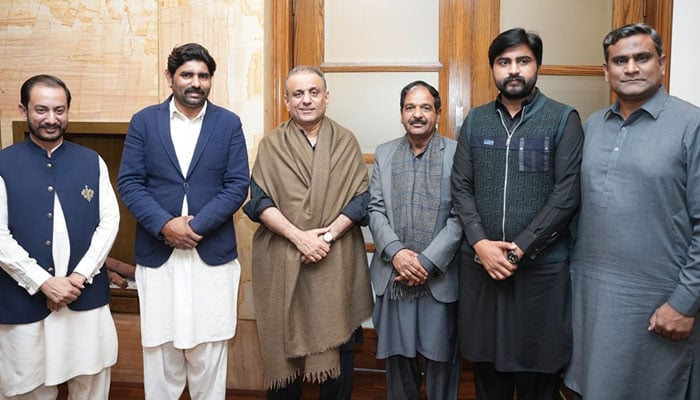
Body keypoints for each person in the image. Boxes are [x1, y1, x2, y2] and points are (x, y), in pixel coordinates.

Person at [564, 23, 700, 400]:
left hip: (659, 304)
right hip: (590, 299)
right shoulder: (592, 127)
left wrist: (685, 302)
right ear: (606, 71)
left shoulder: (692, 125)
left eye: (642, 58)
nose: (631, 68)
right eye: (620, 61)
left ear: (662, 63)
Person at [451, 28, 583, 400]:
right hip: (481, 268)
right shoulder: (475, 121)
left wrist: (519, 248)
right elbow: (460, 187)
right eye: (504, 62)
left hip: (540, 270)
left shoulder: (562, 119)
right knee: (487, 369)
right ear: (493, 68)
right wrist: (481, 244)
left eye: (522, 61)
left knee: (538, 373)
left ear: (536, 65)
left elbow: (566, 194)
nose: (513, 70)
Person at [117, 43, 249, 399]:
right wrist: (165, 225)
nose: (196, 82)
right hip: (159, 255)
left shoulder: (228, 123)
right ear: (169, 77)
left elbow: (238, 185)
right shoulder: (144, 121)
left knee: (209, 351)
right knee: (162, 352)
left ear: (210, 80)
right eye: (187, 74)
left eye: (203, 76)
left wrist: (195, 227)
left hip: (212, 254)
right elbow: (129, 182)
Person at [243, 65, 373, 399]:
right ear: (286, 101)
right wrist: (299, 237)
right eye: (297, 94)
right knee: (286, 347)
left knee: (339, 347)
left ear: (326, 97)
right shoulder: (272, 145)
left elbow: (361, 200)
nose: (306, 100)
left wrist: (326, 237)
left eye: (314, 92)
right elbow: (258, 202)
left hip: (335, 258)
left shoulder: (345, 141)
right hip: (285, 258)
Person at [0, 75, 120, 399]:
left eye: (59, 110)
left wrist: (79, 277)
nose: (51, 119)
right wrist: (43, 282)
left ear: (68, 111)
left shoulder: (91, 161)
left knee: (90, 381)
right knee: (27, 387)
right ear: (23, 109)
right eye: (41, 109)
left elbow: (110, 222)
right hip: (21, 301)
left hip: (84, 296)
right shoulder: (3, 164)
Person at [368, 80, 462, 399]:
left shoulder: (457, 153)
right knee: (398, 361)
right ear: (401, 114)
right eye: (410, 107)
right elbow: (375, 208)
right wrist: (395, 253)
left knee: (441, 361)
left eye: (425, 107)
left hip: (438, 276)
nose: (417, 114)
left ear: (438, 113)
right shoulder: (384, 153)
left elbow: (461, 215)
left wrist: (425, 261)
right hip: (394, 275)